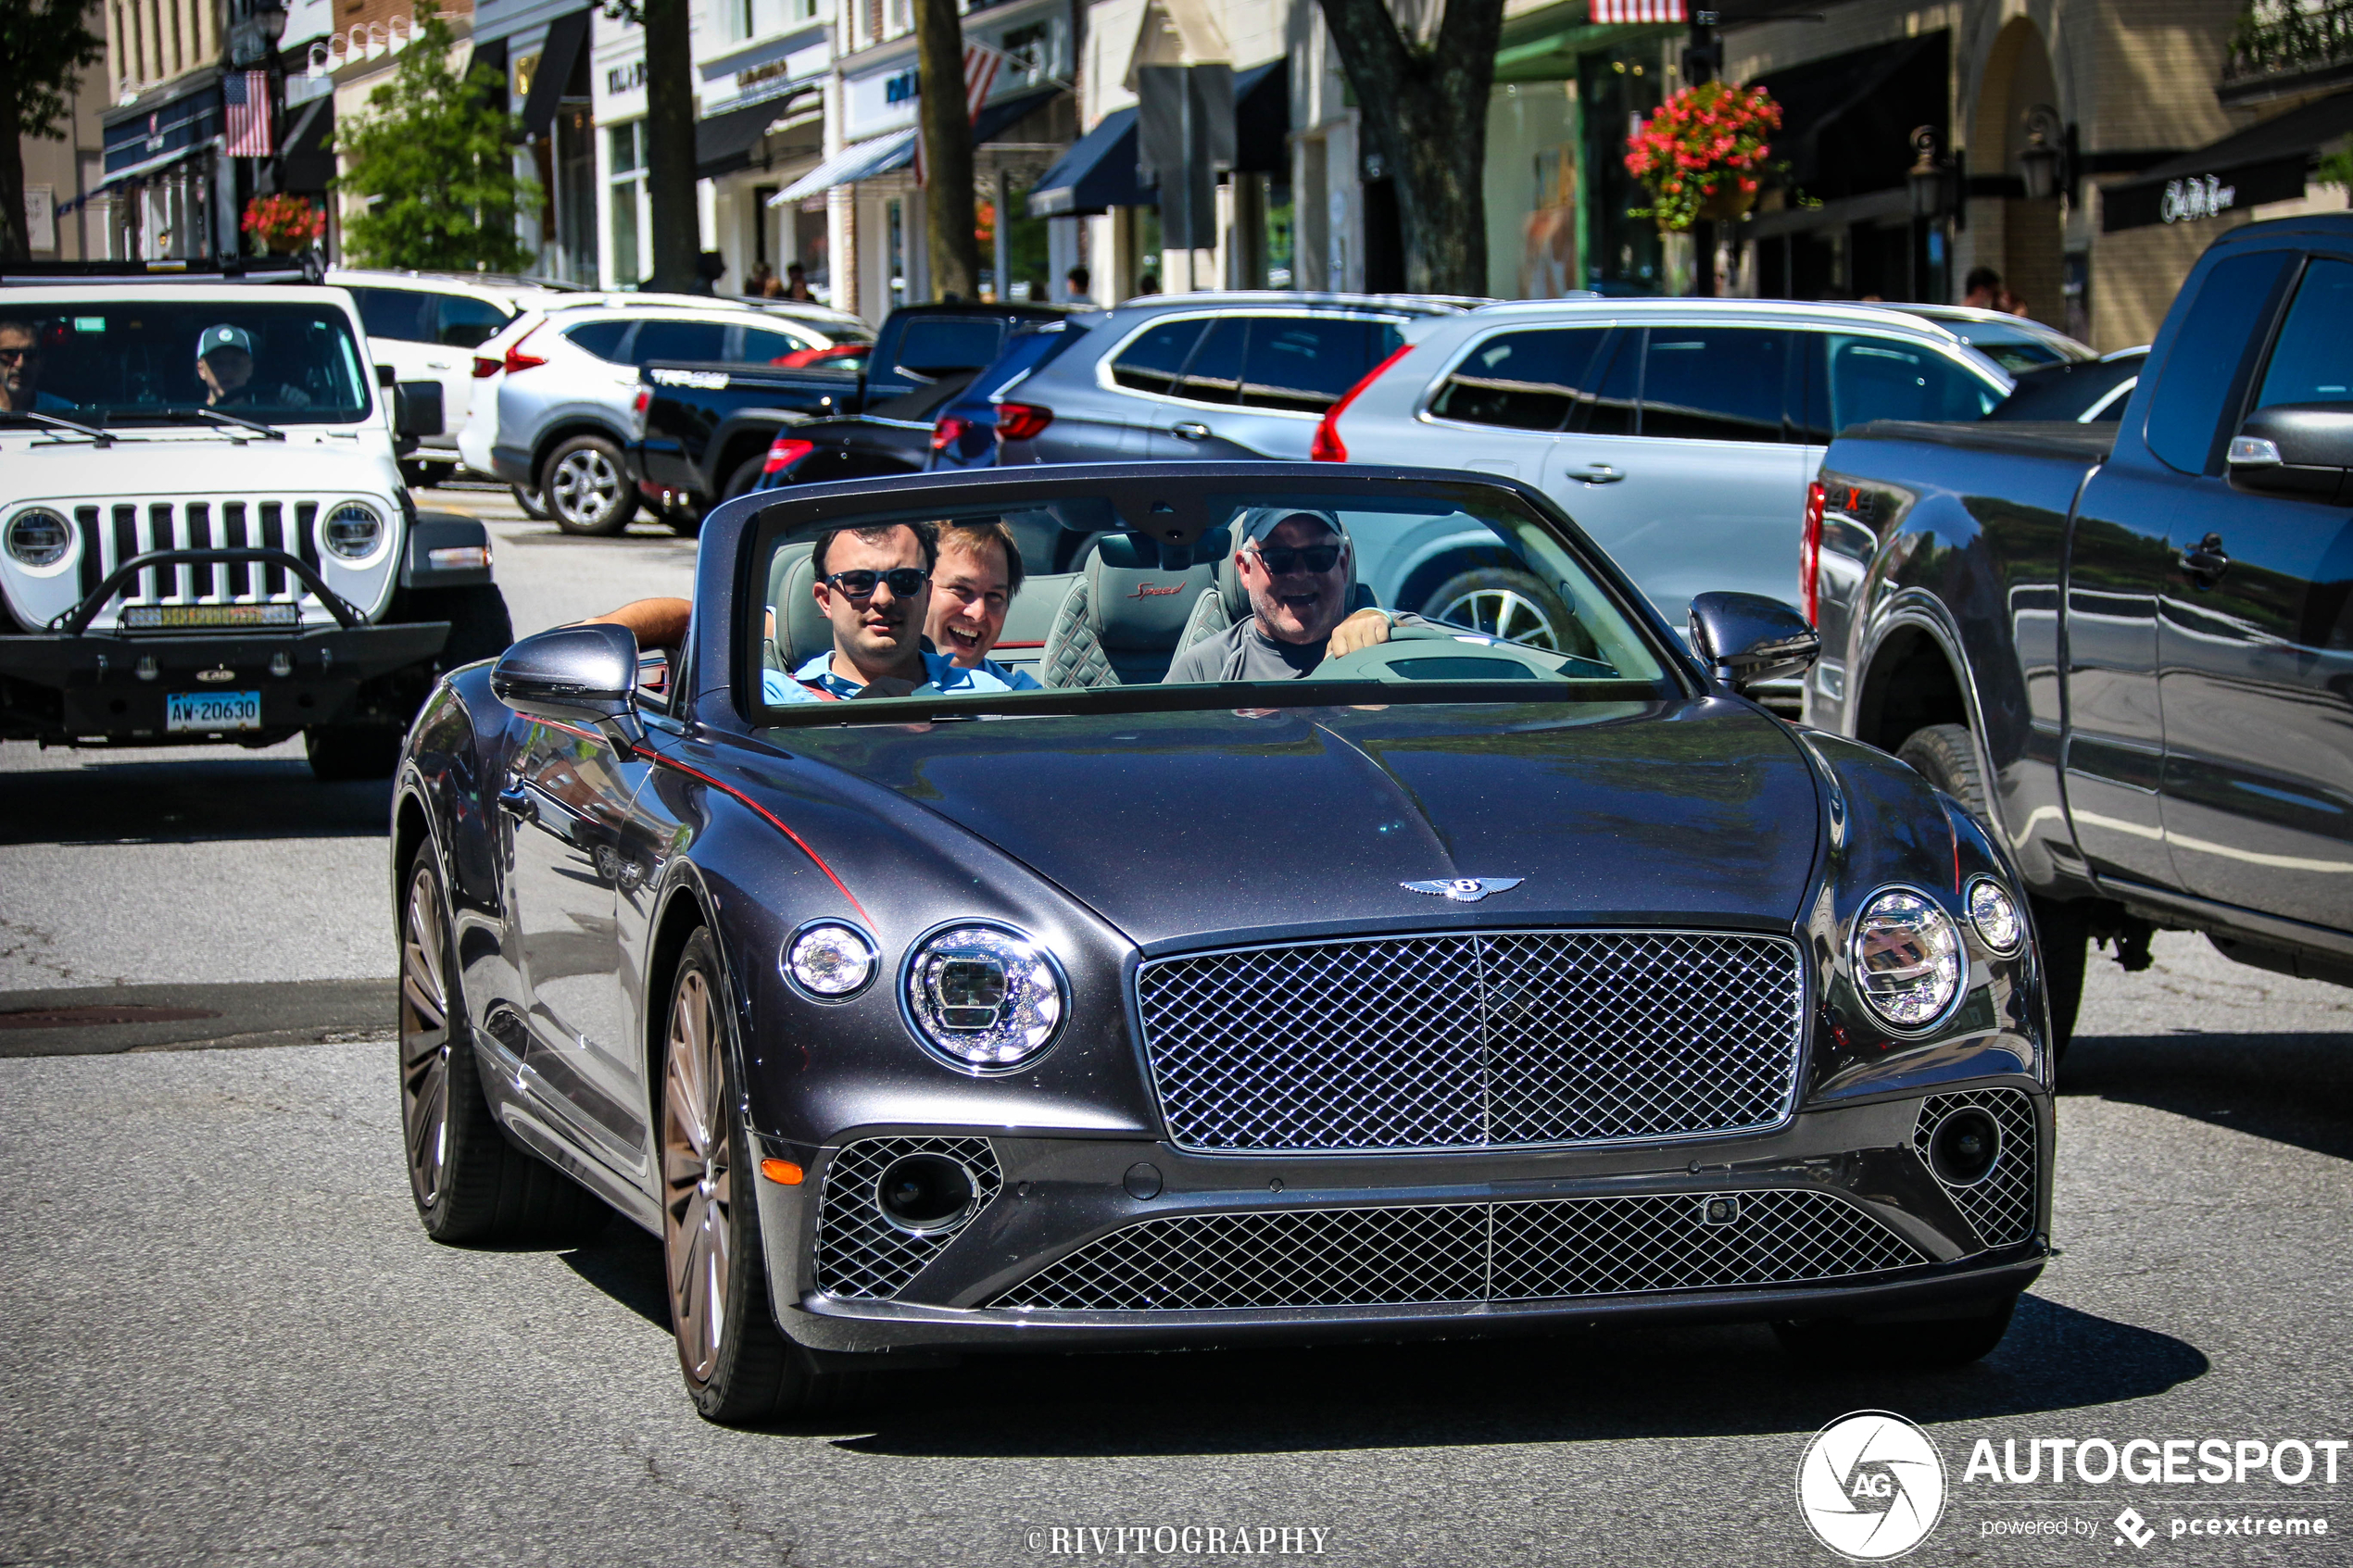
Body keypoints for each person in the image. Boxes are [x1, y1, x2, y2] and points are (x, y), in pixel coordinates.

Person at [770, 521, 1026, 702]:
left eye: (905, 580)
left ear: (926, 594)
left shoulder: (989, 698)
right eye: (859, 581)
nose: (884, 598)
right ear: (826, 600)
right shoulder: (773, 700)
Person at [1162, 508, 1407, 684]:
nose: (1299, 573)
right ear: (1245, 569)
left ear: (1343, 565)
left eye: (1319, 556)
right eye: (1278, 558)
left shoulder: (1386, 637)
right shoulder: (1208, 668)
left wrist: (1379, 618)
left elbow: (1441, 650)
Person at [925, 520, 1040, 688]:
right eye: (960, 589)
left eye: (994, 596)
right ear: (919, 590)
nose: (978, 613)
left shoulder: (1018, 700)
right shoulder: (878, 690)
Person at [195, 324, 309, 408]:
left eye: (235, 363)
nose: (227, 371)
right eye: (217, 363)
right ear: (201, 370)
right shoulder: (187, 421)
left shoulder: (269, 419)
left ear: (250, 369)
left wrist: (297, 405)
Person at [0, 320, 71, 413]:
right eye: (10, 354)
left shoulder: (65, 413)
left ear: (41, 361)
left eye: (30, 354)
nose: (20, 364)